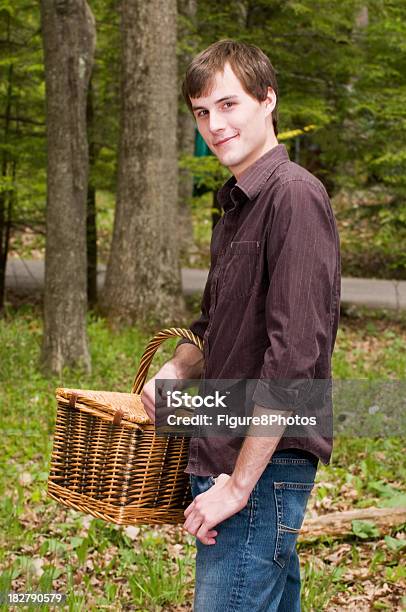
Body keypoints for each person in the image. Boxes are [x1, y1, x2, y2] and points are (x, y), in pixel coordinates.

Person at [142, 39, 340, 611]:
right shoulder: (238, 207)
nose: (214, 124)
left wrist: (238, 484)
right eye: (202, 112)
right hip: (229, 448)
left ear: (267, 99)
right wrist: (177, 370)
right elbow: (217, 327)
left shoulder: (294, 198)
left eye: (228, 105)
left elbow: (294, 359)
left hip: (259, 465)